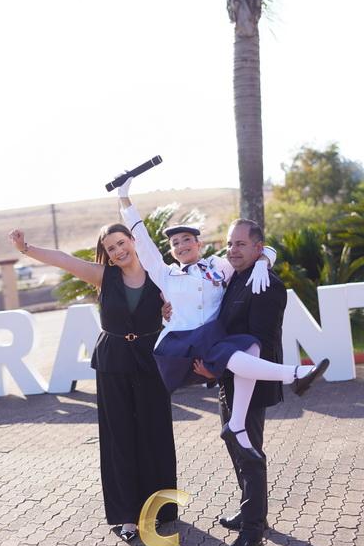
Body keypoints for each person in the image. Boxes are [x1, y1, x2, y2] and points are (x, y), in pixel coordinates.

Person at [117, 178, 329, 462]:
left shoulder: (219, 266)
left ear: (199, 244)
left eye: (187, 239)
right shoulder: (165, 274)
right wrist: (124, 199)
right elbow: (142, 242)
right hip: (181, 345)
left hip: (212, 340)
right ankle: (295, 374)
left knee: (251, 345)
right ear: (171, 252)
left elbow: (258, 249)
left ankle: (236, 423)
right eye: (175, 243)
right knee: (234, 350)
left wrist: (264, 263)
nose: (181, 245)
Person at [8, 224, 177, 542]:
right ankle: (127, 516)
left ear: (133, 241)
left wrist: (171, 310)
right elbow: (63, 259)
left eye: (121, 243)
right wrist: (25, 249)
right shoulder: (104, 276)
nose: (118, 251)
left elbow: (190, 300)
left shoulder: (160, 275)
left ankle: (160, 509)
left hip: (150, 360)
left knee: (154, 433)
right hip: (113, 362)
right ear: (107, 254)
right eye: (111, 248)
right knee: (120, 438)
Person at [197, 218, 311, 546]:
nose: (232, 250)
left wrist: (219, 365)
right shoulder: (237, 274)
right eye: (229, 243)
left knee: (250, 455)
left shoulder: (266, 284)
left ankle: (252, 535)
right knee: (236, 447)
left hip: (251, 383)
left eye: (241, 244)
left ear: (258, 248)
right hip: (228, 381)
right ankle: (252, 513)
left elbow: (257, 343)